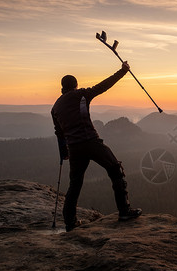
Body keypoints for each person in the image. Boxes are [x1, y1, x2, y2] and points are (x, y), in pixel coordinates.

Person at [51, 62, 142, 232]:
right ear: (75, 85)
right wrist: (122, 72)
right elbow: (103, 86)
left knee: (75, 184)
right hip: (91, 142)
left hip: (74, 148)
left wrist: (64, 152)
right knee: (115, 169)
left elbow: (59, 133)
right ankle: (124, 211)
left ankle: (70, 221)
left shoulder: (55, 107)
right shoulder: (82, 95)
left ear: (62, 87)